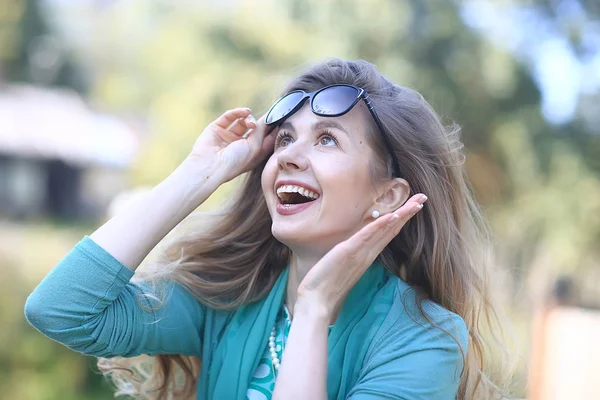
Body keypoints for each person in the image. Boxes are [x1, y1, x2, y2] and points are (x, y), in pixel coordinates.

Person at [25, 59, 511, 399]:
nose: (290, 156)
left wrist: (316, 309)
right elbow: (61, 310)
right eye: (283, 139)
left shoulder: (424, 340)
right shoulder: (231, 298)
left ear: (387, 196)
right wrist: (200, 174)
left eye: (326, 139)